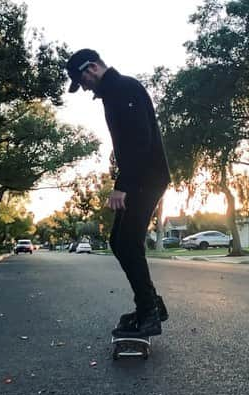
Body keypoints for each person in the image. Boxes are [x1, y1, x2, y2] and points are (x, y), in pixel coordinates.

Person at [65, 49, 170, 338]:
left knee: (127, 241)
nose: (84, 88)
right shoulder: (113, 93)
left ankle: (149, 312)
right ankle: (151, 306)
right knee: (118, 241)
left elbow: (140, 140)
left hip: (146, 178)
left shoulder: (123, 87)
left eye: (82, 81)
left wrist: (123, 185)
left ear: (93, 68)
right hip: (139, 177)